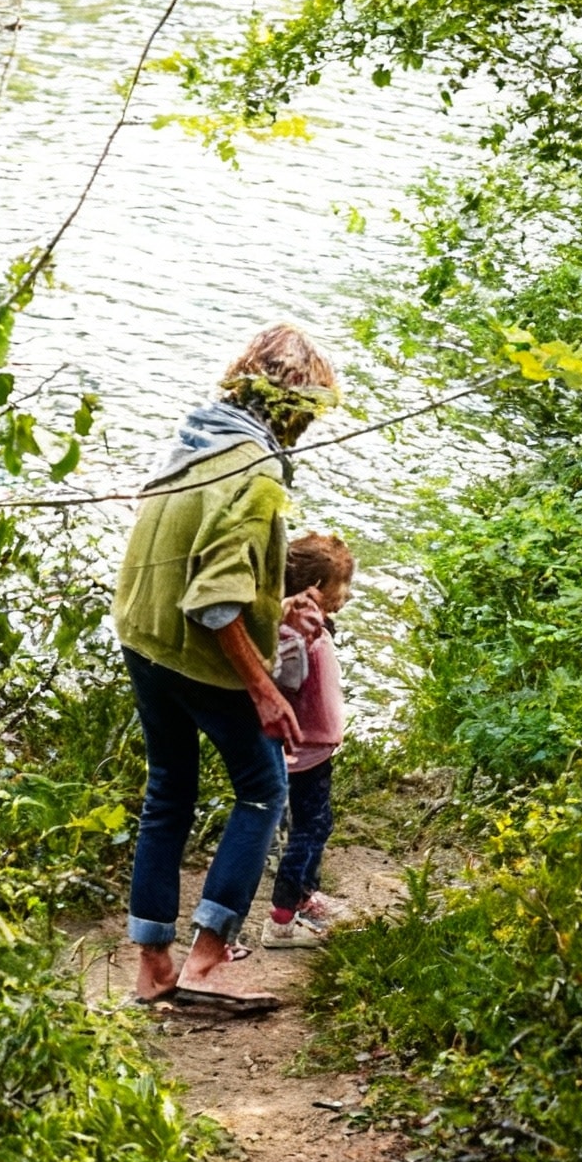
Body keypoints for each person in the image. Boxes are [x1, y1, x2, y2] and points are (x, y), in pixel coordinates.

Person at [113, 324, 337, 1013]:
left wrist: (274, 601)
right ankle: (209, 960)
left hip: (142, 635)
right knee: (264, 791)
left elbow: (200, 562)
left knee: (169, 792)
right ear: (295, 406)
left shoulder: (196, 439)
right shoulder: (257, 472)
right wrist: (265, 689)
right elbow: (212, 601)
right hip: (194, 653)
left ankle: (154, 965)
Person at [264, 532, 354, 948]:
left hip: (315, 746)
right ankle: (282, 917)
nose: (347, 595)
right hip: (305, 750)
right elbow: (290, 677)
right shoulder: (295, 631)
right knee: (310, 826)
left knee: (315, 823)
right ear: (315, 589)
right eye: (343, 585)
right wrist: (305, 634)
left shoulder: (302, 624)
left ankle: (305, 897)